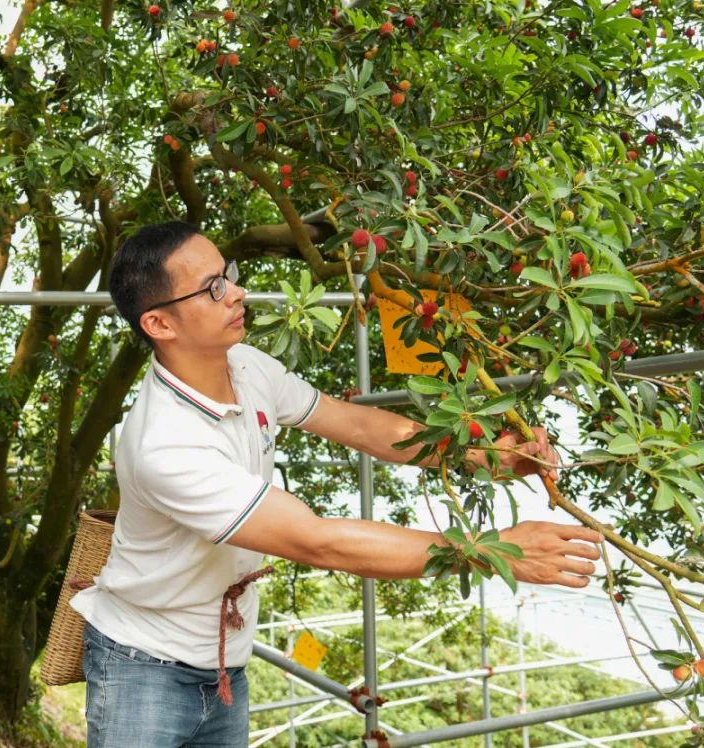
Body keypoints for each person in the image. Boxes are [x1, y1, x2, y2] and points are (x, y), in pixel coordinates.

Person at [69, 221, 604, 747]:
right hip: (143, 666)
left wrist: (485, 455)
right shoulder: (165, 443)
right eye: (214, 288)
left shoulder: (247, 365)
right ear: (160, 324)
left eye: (227, 274)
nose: (238, 291)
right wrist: (494, 551)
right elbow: (317, 540)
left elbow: (357, 424)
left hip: (224, 663)